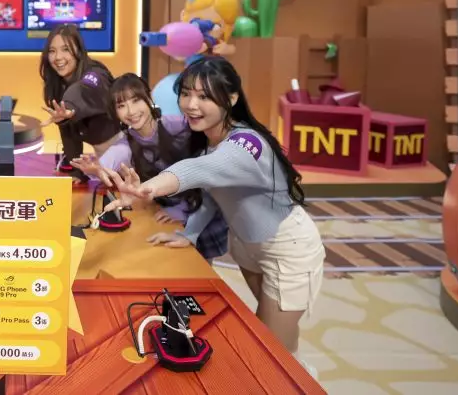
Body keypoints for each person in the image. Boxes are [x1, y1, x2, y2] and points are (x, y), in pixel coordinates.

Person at [102, 57, 324, 378]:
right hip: (247, 247)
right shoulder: (208, 138)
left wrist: (147, 188)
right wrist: (189, 234)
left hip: (287, 249)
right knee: (273, 335)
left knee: (272, 351)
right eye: (186, 93)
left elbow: (201, 170)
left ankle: (303, 379)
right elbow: (209, 195)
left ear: (231, 98)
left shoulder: (246, 143)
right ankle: (298, 372)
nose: (191, 105)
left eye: (204, 96)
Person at [70, 73, 229, 261]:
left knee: (203, 268)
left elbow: (207, 173)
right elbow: (104, 167)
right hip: (170, 220)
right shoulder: (125, 146)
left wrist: (182, 209)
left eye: (136, 100)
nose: (131, 111)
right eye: (121, 106)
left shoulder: (180, 126)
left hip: (203, 210)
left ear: (149, 97)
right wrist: (95, 171)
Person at [38, 24, 121, 185]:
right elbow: (69, 134)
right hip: (101, 153)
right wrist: (75, 171)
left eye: (66, 49)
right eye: (52, 51)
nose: (58, 57)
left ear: (79, 51)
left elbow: (83, 89)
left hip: (127, 147)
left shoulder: (95, 74)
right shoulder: (58, 85)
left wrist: (69, 107)